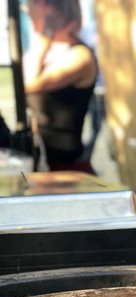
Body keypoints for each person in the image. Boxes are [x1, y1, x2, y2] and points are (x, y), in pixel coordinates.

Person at [23, 0, 97, 173]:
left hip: (67, 166)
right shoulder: (45, 52)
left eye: (32, 6)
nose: (28, 11)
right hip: (42, 159)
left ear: (48, 8)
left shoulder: (80, 56)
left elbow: (28, 85)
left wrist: (44, 37)